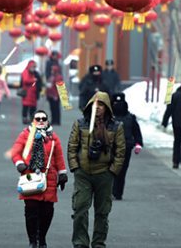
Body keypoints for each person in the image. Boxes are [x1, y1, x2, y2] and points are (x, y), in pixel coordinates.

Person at [67, 92, 125, 248]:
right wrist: (75, 167)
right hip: (83, 174)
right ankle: (80, 243)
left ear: (106, 107)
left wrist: (113, 171)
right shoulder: (80, 123)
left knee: (102, 212)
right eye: (94, 104)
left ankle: (98, 243)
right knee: (80, 209)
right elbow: (72, 146)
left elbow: (120, 151)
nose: (97, 108)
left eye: (100, 105)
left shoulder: (115, 126)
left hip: (104, 174)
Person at [11, 110, 68, 248]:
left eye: (44, 118)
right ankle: (33, 240)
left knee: (47, 212)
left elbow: (58, 157)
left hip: (49, 178)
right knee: (31, 211)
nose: (41, 121)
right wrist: (20, 164)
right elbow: (15, 152)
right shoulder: (25, 135)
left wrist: (62, 173)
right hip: (30, 177)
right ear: (33, 120)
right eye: (38, 118)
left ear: (47, 121)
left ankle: (42, 238)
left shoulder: (54, 138)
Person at [111, 93, 143, 200]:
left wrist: (138, 143)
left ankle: (117, 192)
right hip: (112, 147)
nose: (118, 105)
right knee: (113, 170)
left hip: (125, 146)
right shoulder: (109, 117)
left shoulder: (130, 118)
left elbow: (136, 132)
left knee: (120, 170)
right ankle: (113, 191)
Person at [20, 60, 43, 125]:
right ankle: (25, 118)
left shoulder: (35, 73)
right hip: (27, 93)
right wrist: (33, 80)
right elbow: (25, 80)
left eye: (34, 67)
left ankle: (31, 118)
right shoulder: (25, 72)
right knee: (26, 106)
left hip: (34, 93)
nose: (33, 68)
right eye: (32, 67)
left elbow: (39, 82)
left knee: (33, 107)